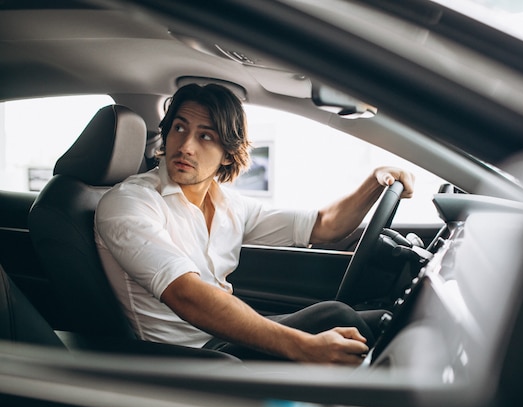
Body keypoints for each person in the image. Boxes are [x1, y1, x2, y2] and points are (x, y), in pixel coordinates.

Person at [95, 83, 415, 365]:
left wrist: (374, 182)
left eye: (205, 135)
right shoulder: (129, 203)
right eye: (179, 128)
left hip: (221, 339)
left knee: (383, 320)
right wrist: (304, 347)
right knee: (339, 318)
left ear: (227, 153)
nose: (187, 145)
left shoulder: (229, 204)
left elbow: (324, 225)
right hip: (184, 358)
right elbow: (186, 294)